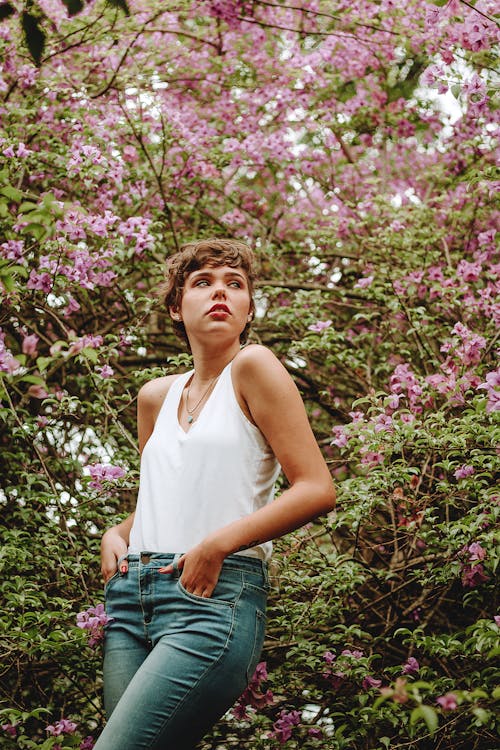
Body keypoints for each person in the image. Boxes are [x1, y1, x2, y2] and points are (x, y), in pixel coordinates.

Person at [95, 238, 335, 750]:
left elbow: (317, 488)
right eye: (203, 283)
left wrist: (216, 544)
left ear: (249, 310)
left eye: (235, 284)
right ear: (176, 308)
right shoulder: (155, 396)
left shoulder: (254, 368)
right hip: (131, 598)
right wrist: (116, 532)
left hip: (211, 599)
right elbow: (161, 497)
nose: (220, 292)